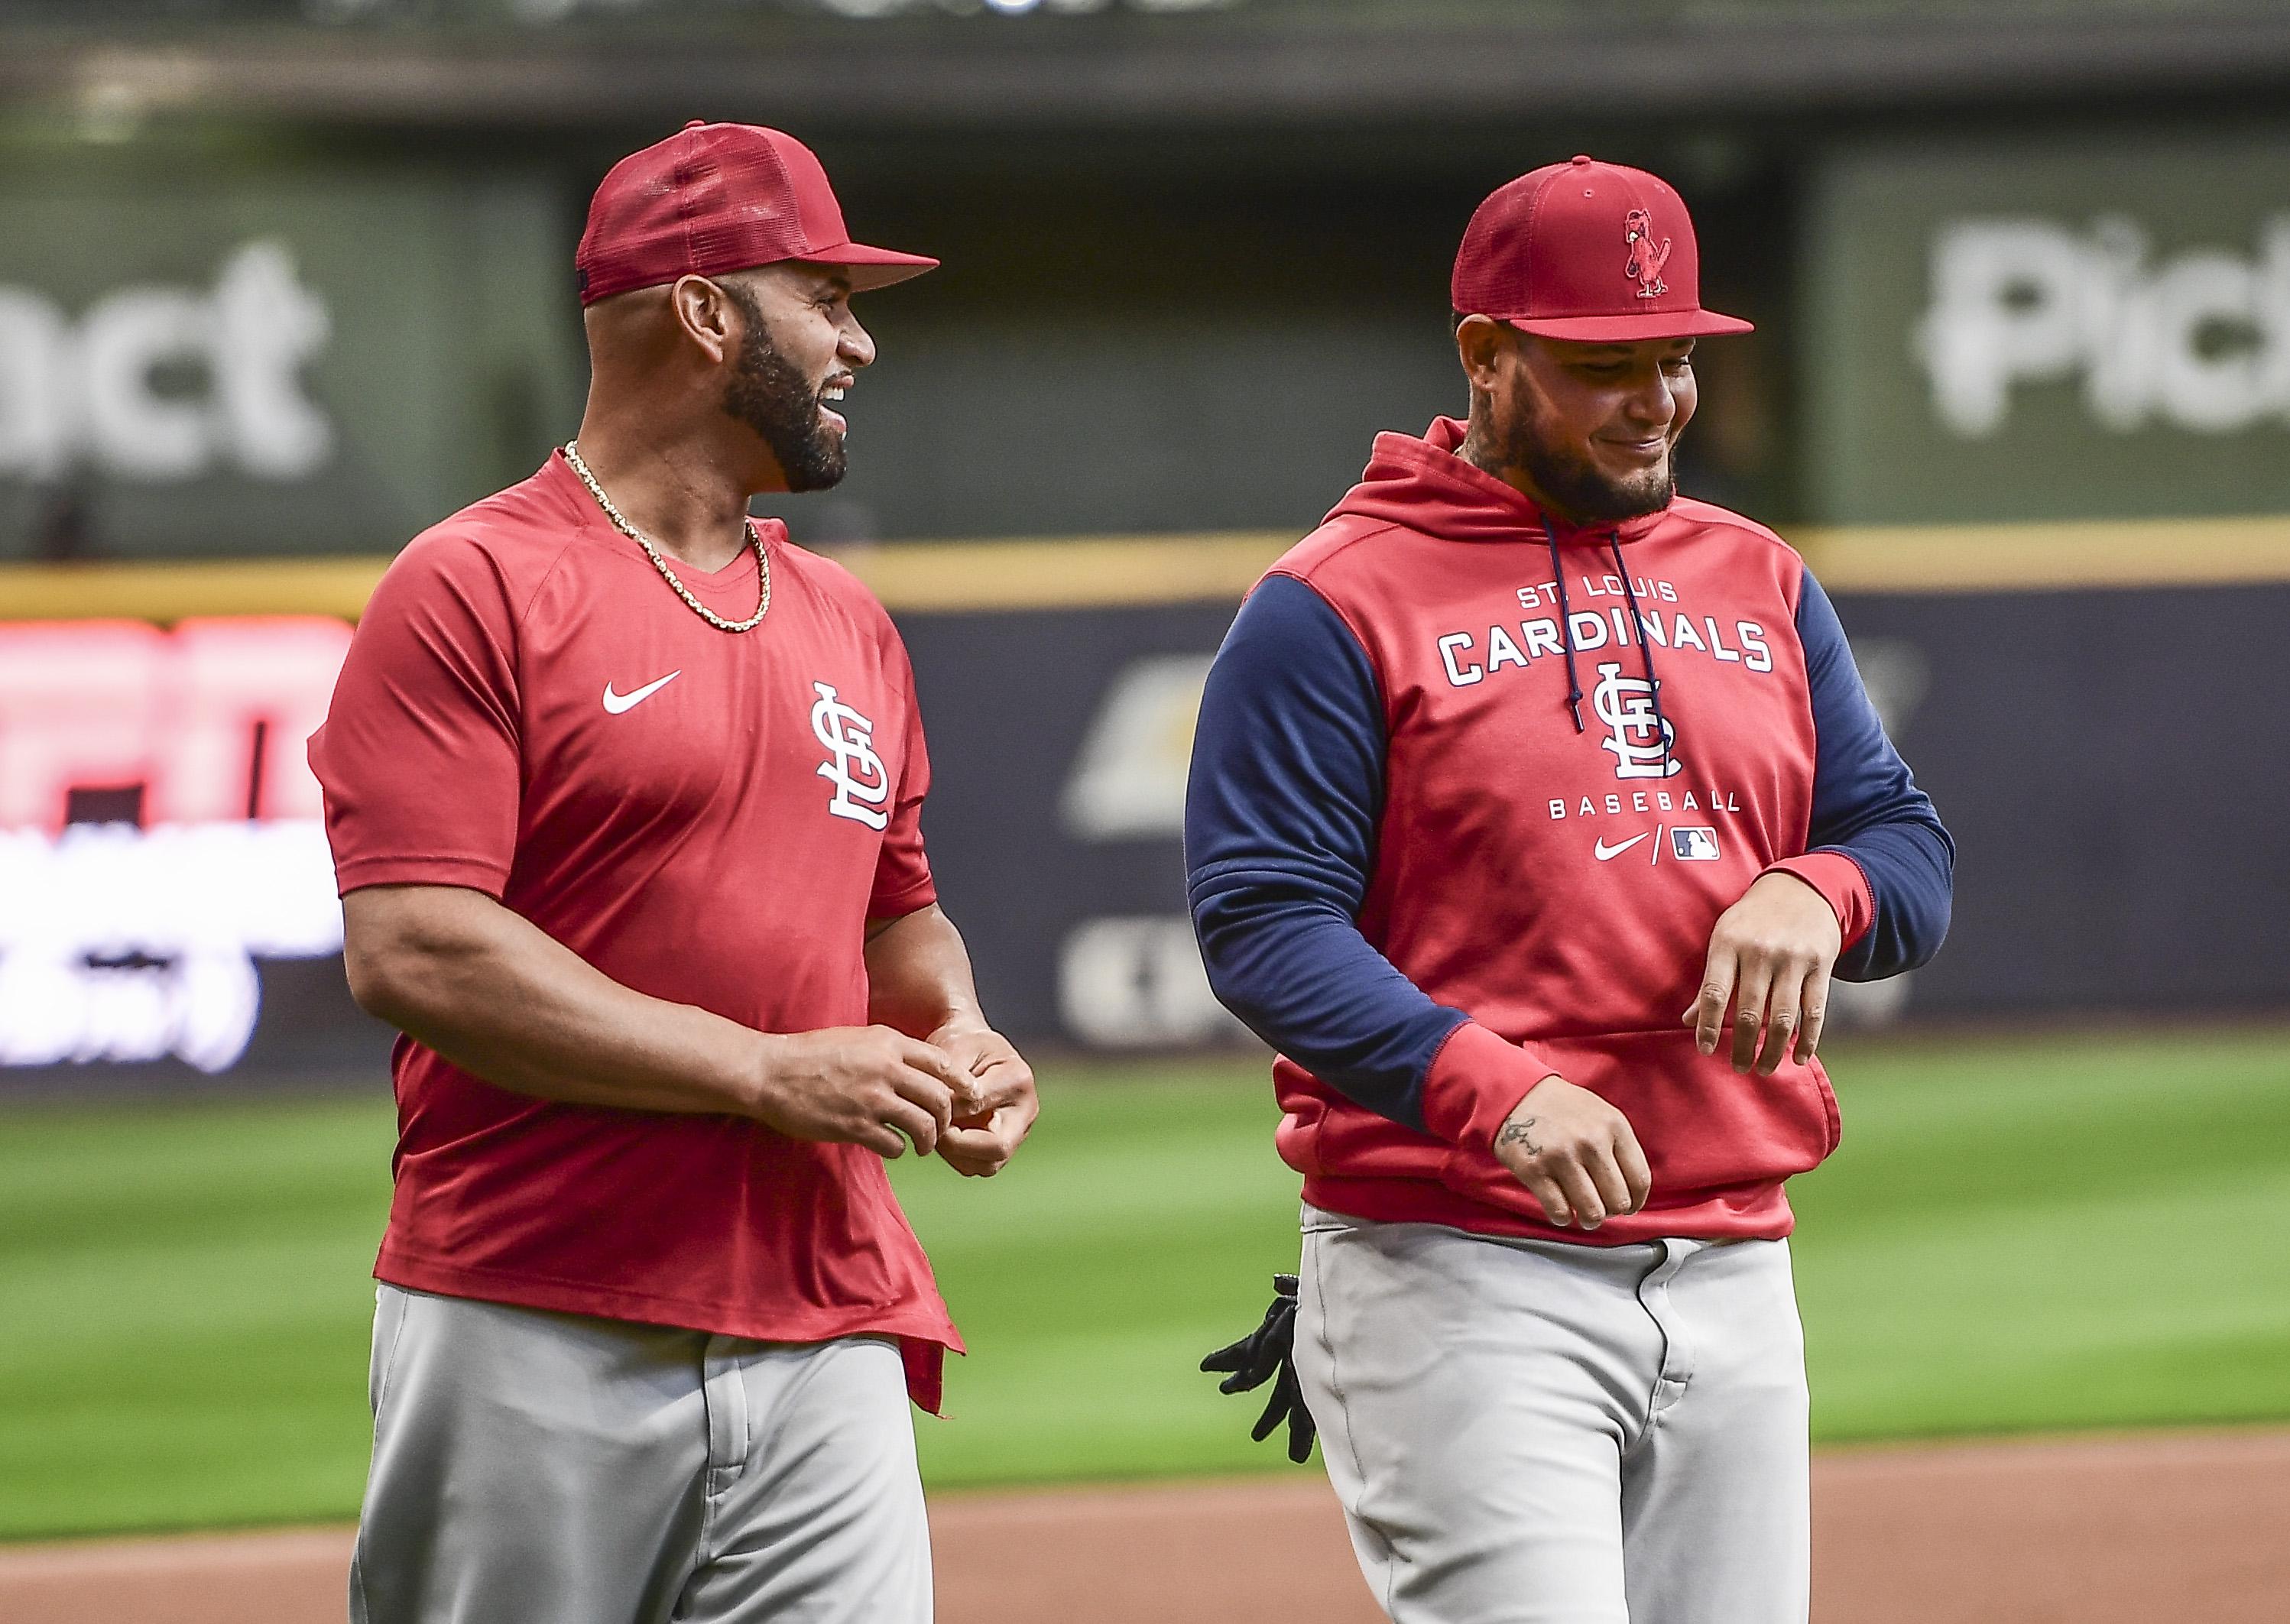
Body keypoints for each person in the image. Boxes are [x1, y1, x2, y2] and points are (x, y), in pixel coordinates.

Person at [1186, 155, 1953, 1622]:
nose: (1661, 398)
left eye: (1675, 357)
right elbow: (1263, 921)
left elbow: (1903, 841)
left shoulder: (1762, 578)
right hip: (1460, 1267)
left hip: (1735, 1258)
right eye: (1607, 364)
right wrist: (1496, 1085)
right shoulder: (1332, 603)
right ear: (1484, 353)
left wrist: (1821, 887)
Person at [308, 121, 1038, 1624]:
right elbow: (418, 950)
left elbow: (897, 917)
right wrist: (764, 1071)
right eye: (825, 299)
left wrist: (955, 1032)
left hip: (830, 1304)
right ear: (708, 311)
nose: (858, 344)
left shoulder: (845, 616)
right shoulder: (475, 584)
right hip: (534, 1313)